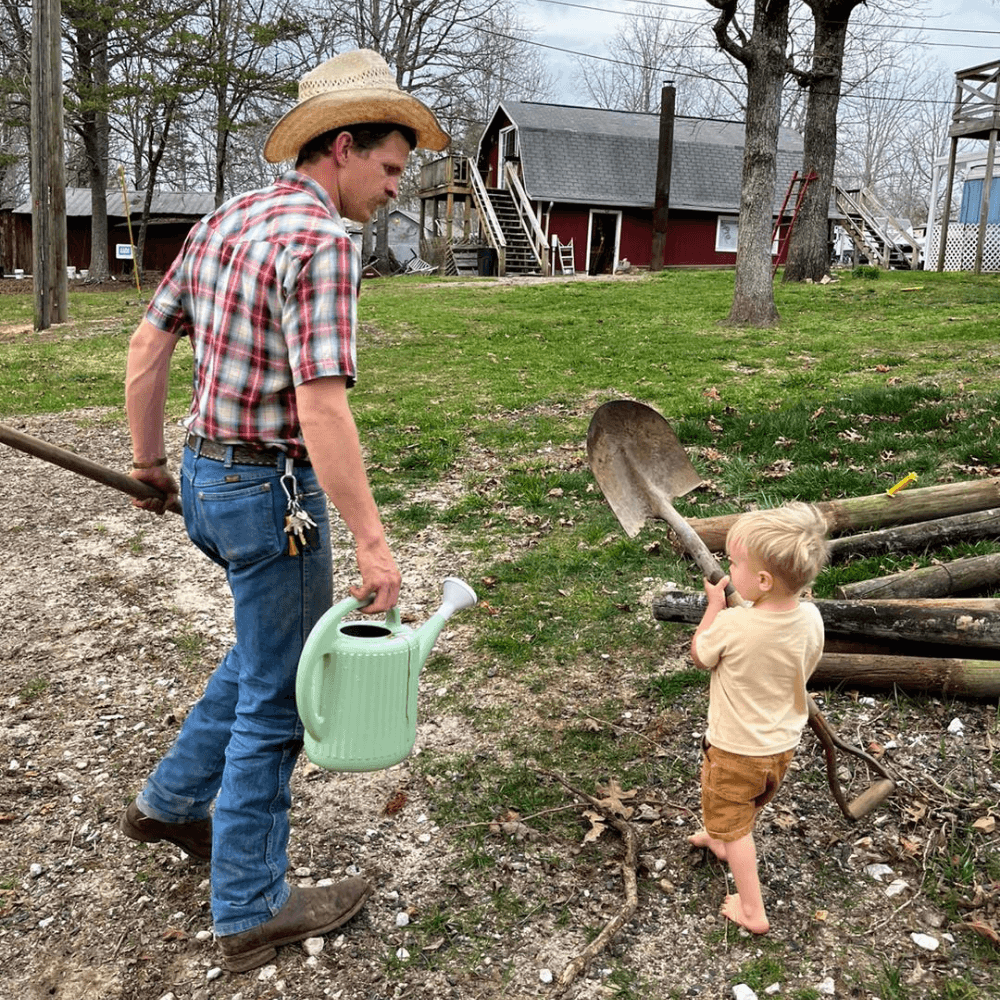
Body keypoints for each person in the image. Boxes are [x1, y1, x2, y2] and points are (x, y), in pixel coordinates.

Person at [120, 49, 449, 973]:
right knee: (281, 697)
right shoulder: (323, 244)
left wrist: (150, 462)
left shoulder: (227, 219)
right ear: (342, 147)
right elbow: (322, 409)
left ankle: (171, 804)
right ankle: (251, 906)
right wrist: (374, 544)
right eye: (390, 167)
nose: (396, 187)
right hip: (271, 494)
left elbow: (147, 349)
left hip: (205, 479)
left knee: (265, 651)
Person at [687, 501, 828, 935]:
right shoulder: (811, 618)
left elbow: (700, 655)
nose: (729, 569)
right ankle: (719, 835)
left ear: (764, 581)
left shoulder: (734, 624)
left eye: (735, 563)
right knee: (739, 807)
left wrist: (714, 606)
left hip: (735, 752)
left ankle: (752, 909)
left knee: (736, 823)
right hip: (780, 747)